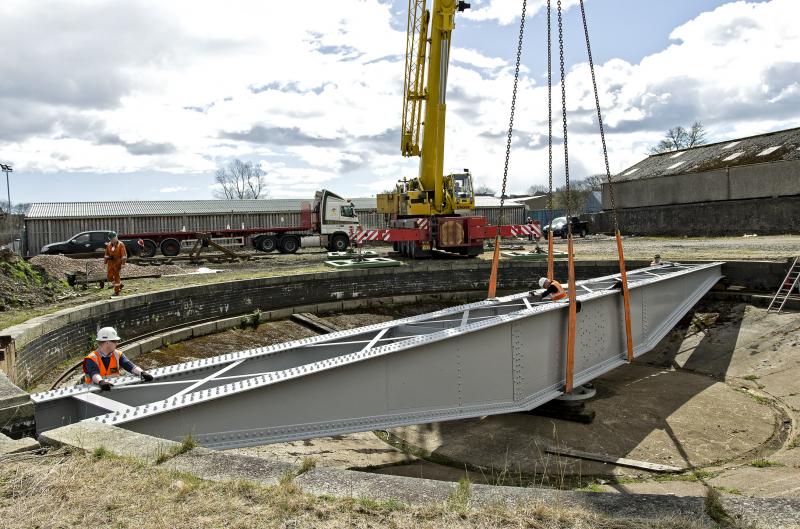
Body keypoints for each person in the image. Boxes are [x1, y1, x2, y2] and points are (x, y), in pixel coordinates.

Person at [83, 327, 154, 390]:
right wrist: (101, 382)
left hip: (113, 389)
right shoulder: (91, 358)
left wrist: (142, 373)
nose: (117, 343)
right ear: (107, 342)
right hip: (94, 392)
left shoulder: (117, 354)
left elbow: (130, 366)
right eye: (115, 341)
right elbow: (94, 373)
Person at [104, 232, 127, 296]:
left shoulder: (121, 244)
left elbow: (124, 255)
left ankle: (117, 291)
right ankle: (120, 285)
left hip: (118, 263)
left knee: (116, 276)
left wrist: (123, 263)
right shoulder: (109, 245)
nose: (113, 240)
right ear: (110, 239)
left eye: (114, 238)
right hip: (110, 263)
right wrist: (105, 261)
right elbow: (106, 254)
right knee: (109, 276)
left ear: (116, 237)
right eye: (112, 239)